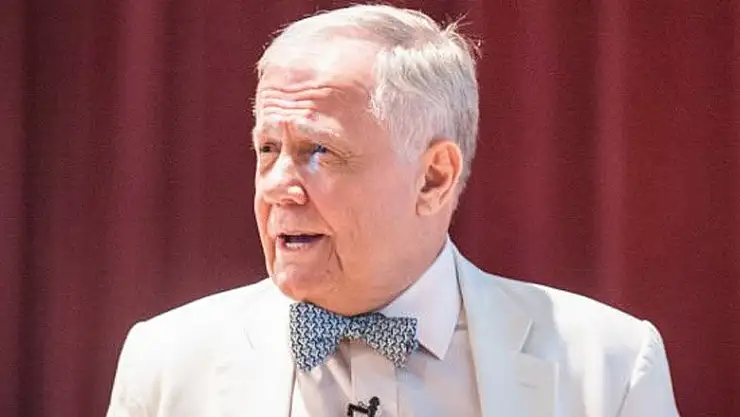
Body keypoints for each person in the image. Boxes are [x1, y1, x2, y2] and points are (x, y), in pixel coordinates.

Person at [106, 4, 680, 417]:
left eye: (318, 151)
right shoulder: (166, 363)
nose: (278, 186)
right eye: (268, 149)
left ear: (433, 178)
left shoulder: (610, 369)